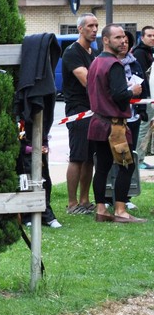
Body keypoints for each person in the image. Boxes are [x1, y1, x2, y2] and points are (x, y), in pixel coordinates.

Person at [89, 25, 145, 224]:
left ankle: (101, 209)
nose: (123, 41)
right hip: (114, 127)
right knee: (126, 166)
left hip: (98, 123)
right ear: (105, 40)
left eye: (124, 37)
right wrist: (134, 91)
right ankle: (120, 211)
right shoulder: (114, 64)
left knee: (102, 167)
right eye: (117, 37)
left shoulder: (96, 62)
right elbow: (119, 95)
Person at [62, 13, 99, 215]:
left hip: (94, 110)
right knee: (77, 156)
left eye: (96, 26)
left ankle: (85, 200)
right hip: (78, 110)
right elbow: (88, 81)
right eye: (90, 26)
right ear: (80, 29)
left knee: (89, 158)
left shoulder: (94, 51)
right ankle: (72, 203)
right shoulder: (72, 52)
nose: (94, 30)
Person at [131, 26, 154, 169]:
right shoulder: (140, 53)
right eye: (149, 35)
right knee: (144, 127)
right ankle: (138, 160)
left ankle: (140, 158)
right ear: (142, 37)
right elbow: (144, 77)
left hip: (149, 96)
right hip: (146, 97)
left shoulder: (148, 52)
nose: (152, 38)